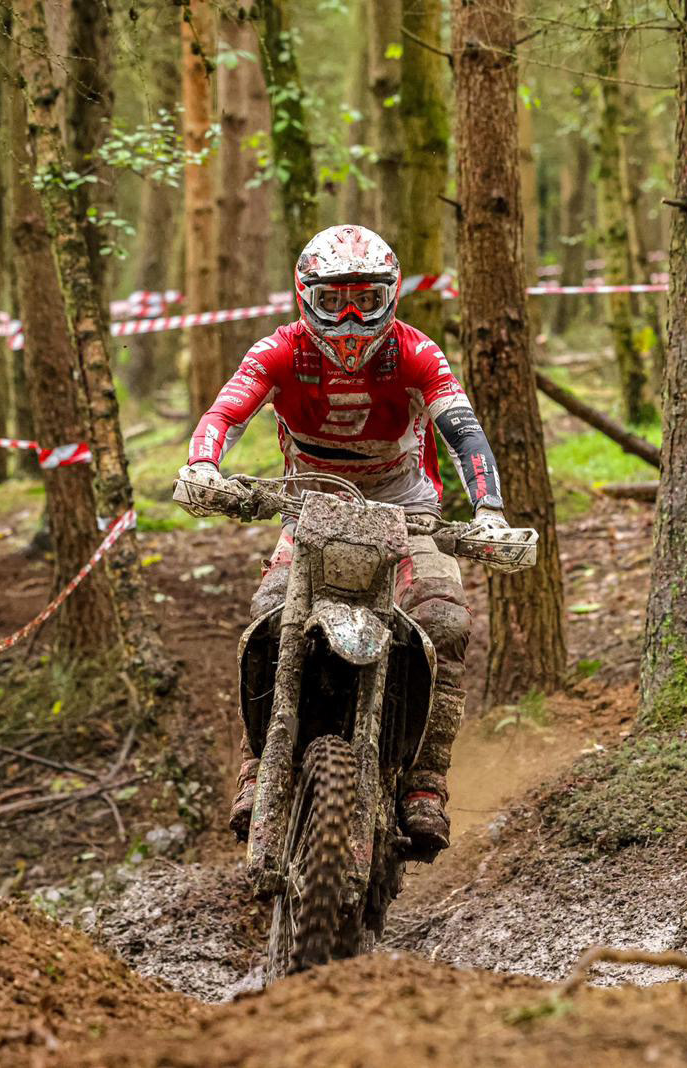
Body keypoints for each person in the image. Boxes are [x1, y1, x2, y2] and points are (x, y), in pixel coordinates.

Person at [173, 224, 507, 857]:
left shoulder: (415, 353)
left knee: (444, 620)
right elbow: (225, 414)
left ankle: (428, 781)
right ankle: (256, 765)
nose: (351, 319)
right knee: (268, 615)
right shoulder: (278, 351)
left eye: (366, 300)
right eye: (333, 302)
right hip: (309, 509)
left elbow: (464, 432)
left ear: (392, 297)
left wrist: (488, 510)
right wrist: (203, 468)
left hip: (408, 511)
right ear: (305, 298)